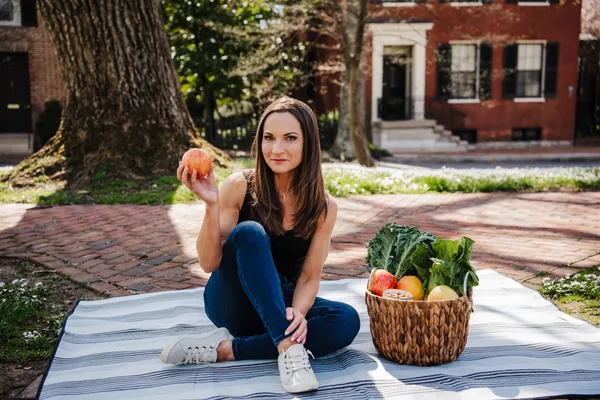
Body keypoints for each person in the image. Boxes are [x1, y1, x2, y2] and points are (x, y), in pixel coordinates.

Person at [160, 96, 360, 394]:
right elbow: (208, 263)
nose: (277, 149)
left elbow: (309, 277)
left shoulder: (323, 207)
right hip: (233, 303)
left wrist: (300, 314)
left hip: (279, 303)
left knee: (346, 320)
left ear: (309, 144)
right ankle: (289, 350)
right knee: (250, 232)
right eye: (269, 138)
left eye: (290, 138)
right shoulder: (240, 186)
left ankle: (225, 350)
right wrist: (211, 205)